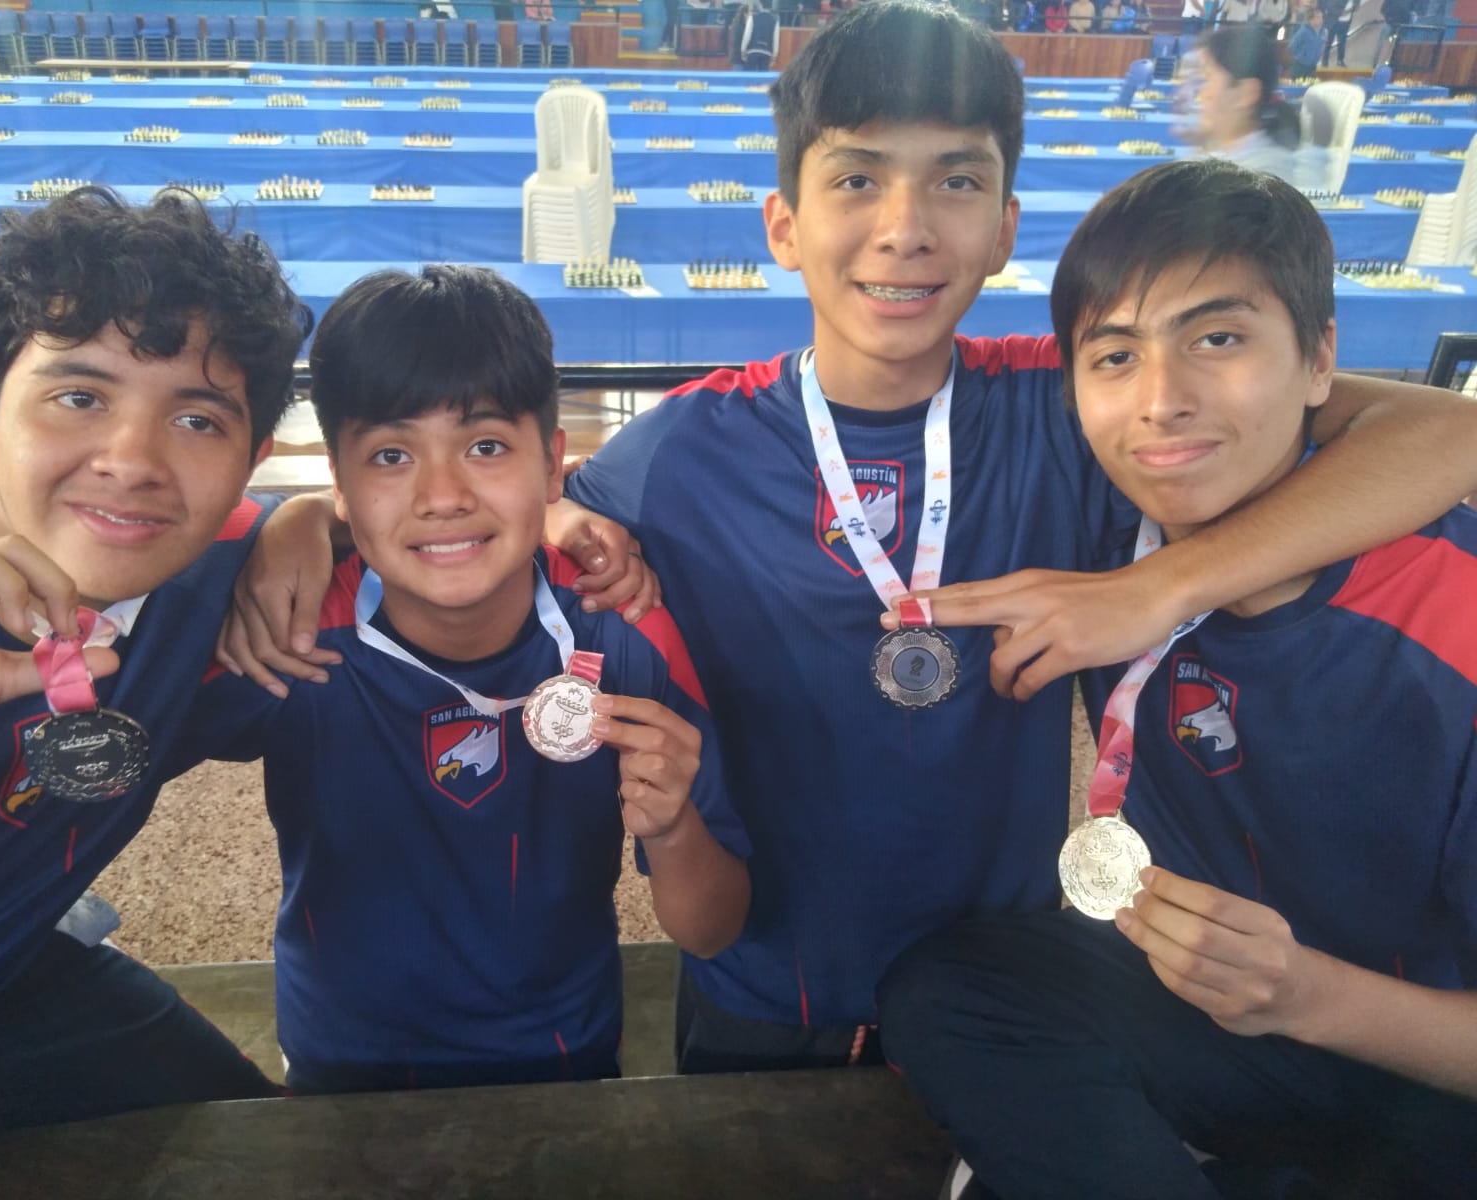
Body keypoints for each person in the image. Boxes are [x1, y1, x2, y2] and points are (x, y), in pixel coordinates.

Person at [231, 0, 1477, 1079]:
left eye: (956, 181)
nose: (905, 227)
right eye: (858, 179)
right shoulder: (681, 451)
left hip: (1003, 987)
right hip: (758, 985)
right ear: (783, 223)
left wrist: (1158, 588)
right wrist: (310, 513)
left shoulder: (1073, 405)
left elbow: (1448, 435)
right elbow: (473, 506)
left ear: (1005, 224)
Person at [878, 158, 1477, 1200]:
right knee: (949, 992)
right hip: (1201, 1018)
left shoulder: (1447, 621)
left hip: (1412, 1057)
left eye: (1218, 339)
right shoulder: (1101, 521)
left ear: (1320, 358)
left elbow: (1456, 430)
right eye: (1116, 356)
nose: (1162, 402)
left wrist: (1307, 997)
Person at [174, 267, 751, 1094]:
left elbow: (713, 930)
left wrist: (673, 828)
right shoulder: (286, 628)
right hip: (340, 1056)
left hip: (564, 1050)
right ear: (338, 481)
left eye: (485, 447)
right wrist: (288, 518)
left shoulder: (626, 634)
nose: (442, 496)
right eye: (391, 455)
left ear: (552, 465)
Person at [0, 187, 313, 1173]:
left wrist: (308, 519)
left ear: (252, 459)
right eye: (79, 397)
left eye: (197, 419)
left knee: (280, 1159)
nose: (133, 461)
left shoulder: (218, 582)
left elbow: (454, 542)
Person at [1185, 26, 1302, 182]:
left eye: (1207, 78)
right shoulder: (1208, 157)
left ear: (1246, 94)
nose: (1201, 94)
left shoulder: (1263, 178)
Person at [740, 0, 780, 68]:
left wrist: (743, 51)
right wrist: (774, 56)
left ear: (760, 4)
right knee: (763, 74)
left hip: (752, 51)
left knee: (749, 73)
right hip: (767, 53)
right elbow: (776, 40)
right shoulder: (775, 20)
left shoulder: (753, 17)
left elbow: (747, 36)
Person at [1288, 4, 1325, 72]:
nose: (1321, 20)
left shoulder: (1322, 32)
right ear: (1311, 19)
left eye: (1321, 17)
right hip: (1300, 67)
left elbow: (1321, 46)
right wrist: (1301, 58)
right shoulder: (1303, 31)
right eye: (1318, 17)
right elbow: (1292, 46)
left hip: (1313, 66)